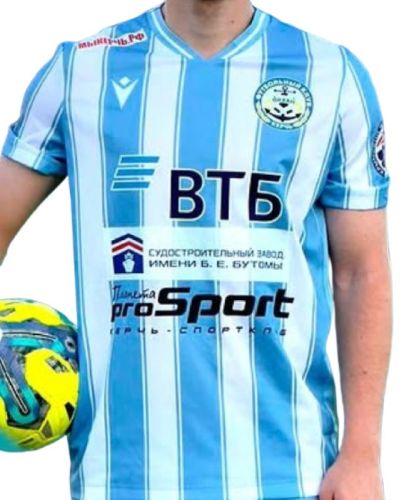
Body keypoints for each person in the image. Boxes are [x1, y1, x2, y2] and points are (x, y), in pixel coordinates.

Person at [0, 0, 392, 499]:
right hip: (122, 476)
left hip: (287, 473)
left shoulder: (331, 75)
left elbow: (361, 273)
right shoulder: (81, 70)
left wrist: (362, 453)